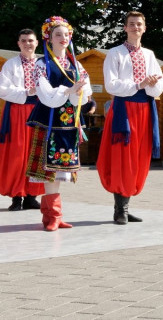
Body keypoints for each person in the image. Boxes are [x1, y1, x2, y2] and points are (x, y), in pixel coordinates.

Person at [97, 11, 163, 225]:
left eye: (139, 24)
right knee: (122, 156)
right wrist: (139, 84)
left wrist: (152, 84)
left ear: (144, 28)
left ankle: (125, 206)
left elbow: (161, 84)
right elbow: (111, 85)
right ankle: (121, 209)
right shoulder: (115, 53)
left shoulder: (149, 54)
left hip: (145, 109)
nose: (136, 27)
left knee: (138, 157)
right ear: (125, 28)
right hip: (124, 109)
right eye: (132, 24)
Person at [26, 16, 91, 231]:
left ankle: (53, 217)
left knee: (60, 168)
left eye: (66, 34)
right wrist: (68, 90)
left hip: (69, 120)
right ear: (49, 38)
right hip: (50, 119)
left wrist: (79, 93)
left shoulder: (76, 64)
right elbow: (45, 93)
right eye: (58, 34)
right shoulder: (42, 64)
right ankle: (53, 217)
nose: (63, 38)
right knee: (49, 169)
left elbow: (85, 92)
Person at [0, 29, 45, 211]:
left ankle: (31, 196)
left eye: (31, 40)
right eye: (24, 40)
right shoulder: (10, 64)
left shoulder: (44, 64)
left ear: (37, 43)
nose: (27, 44)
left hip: (39, 111)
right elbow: (2, 89)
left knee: (37, 153)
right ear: (18, 43)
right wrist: (27, 92)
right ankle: (17, 196)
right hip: (18, 111)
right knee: (17, 154)